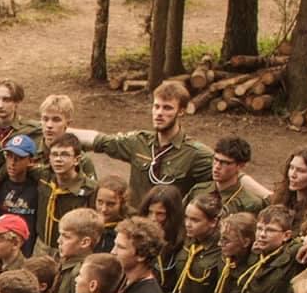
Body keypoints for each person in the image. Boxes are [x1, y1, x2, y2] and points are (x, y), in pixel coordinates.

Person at [71, 80, 215, 206]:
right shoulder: (139, 141)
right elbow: (100, 140)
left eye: (167, 108)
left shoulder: (195, 153)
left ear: (181, 111)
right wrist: (62, 130)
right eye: (156, 106)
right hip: (136, 222)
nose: (159, 113)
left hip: (168, 225)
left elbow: (224, 181)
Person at [111, 217, 169, 293]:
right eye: (115, 245)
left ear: (141, 255)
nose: (113, 252)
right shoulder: (123, 280)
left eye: (120, 247)